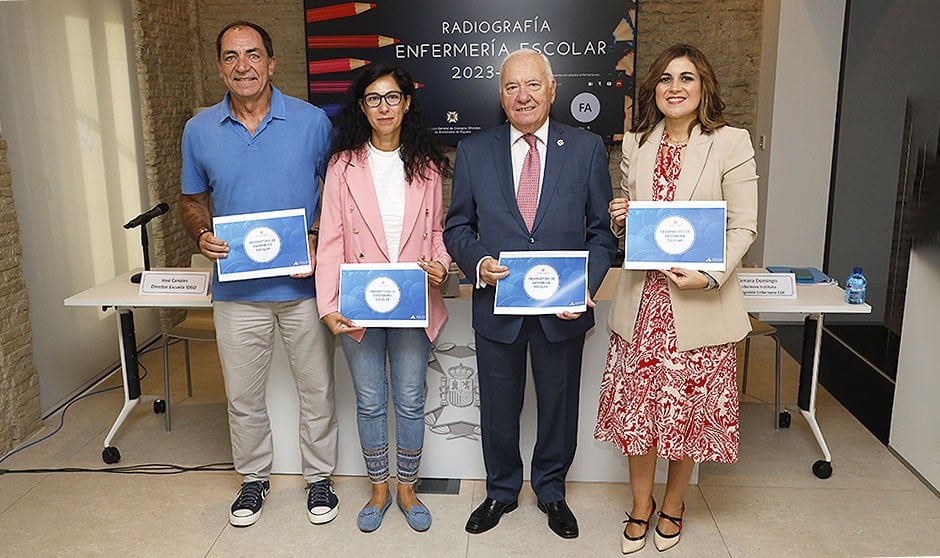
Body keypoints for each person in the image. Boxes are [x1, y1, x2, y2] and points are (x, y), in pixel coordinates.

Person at [444, 49, 617, 539]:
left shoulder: (584, 149)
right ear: (501, 96)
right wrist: (477, 261)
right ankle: (501, 491)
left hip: (561, 312)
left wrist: (585, 284)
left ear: (552, 88)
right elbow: (457, 226)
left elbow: (602, 235)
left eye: (532, 85)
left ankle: (551, 491)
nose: (523, 95)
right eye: (512, 87)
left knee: (559, 406)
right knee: (498, 407)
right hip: (496, 306)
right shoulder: (476, 150)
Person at [594, 44, 758, 553]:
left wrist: (708, 277)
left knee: (688, 418)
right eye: (665, 78)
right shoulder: (638, 143)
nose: (675, 87)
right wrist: (623, 217)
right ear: (655, 89)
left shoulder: (731, 143)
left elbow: (743, 226)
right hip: (643, 305)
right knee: (638, 417)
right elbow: (636, 226)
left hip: (698, 304)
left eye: (687, 78)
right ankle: (641, 506)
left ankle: (674, 503)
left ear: (704, 86)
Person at [180, 21, 339, 528]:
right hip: (236, 291)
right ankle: (253, 479)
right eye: (230, 56)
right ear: (220, 66)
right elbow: (191, 199)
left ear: (272, 63)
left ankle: (320, 479)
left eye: (252, 55)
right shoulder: (199, 129)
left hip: (304, 288)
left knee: (317, 391)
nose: (242, 66)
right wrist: (201, 234)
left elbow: (337, 194)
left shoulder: (313, 121)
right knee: (243, 396)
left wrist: (317, 234)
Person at [315, 63, 452, 533]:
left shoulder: (427, 164)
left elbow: (436, 232)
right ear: (362, 107)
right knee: (371, 400)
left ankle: (407, 487)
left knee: (411, 399)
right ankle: (378, 487)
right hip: (359, 303)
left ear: (407, 103)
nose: (384, 106)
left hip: (414, 300)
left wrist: (441, 263)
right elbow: (331, 238)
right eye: (374, 98)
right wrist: (328, 305)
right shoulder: (342, 165)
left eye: (392, 97)